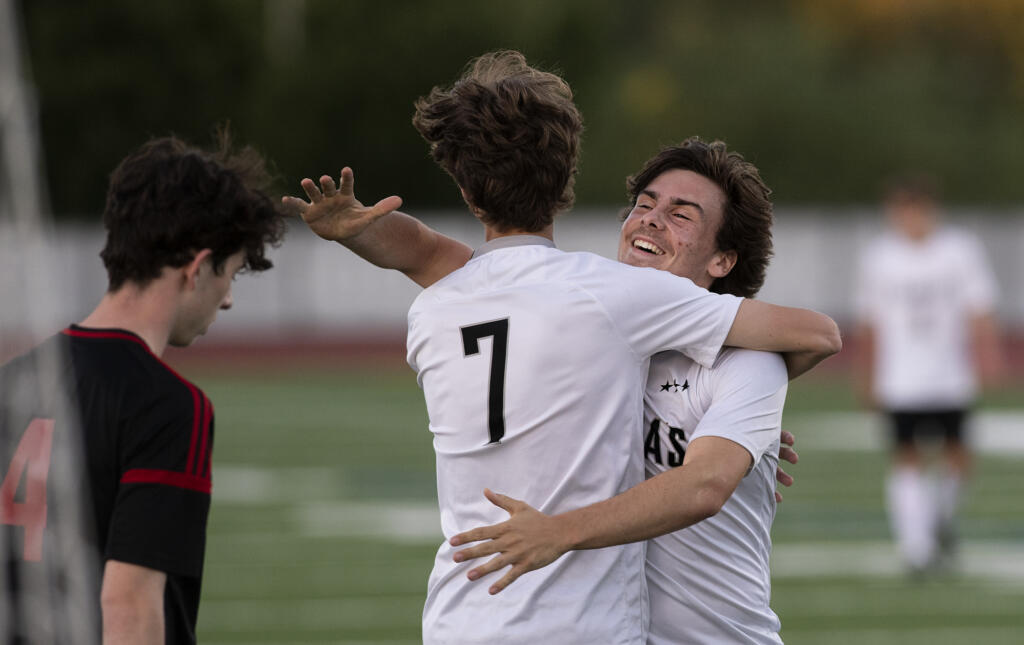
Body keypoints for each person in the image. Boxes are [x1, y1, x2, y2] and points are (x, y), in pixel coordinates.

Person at [286, 51, 839, 645]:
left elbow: (815, 344)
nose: (651, 221)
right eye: (645, 205)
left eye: (680, 215)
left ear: (724, 259)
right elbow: (432, 251)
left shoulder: (715, 349)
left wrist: (749, 413)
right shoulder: (607, 304)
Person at [0, 134, 286, 644]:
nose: (227, 302)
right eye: (232, 275)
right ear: (197, 269)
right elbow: (128, 604)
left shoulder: (15, 377)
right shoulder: (169, 407)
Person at [853, 174, 1002, 575]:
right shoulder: (881, 256)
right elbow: (871, 322)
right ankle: (915, 546)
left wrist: (989, 356)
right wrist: (865, 376)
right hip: (901, 377)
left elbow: (979, 307)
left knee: (959, 457)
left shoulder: (959, 250)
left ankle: (938, 519)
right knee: (907, 458)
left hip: (950, 374)